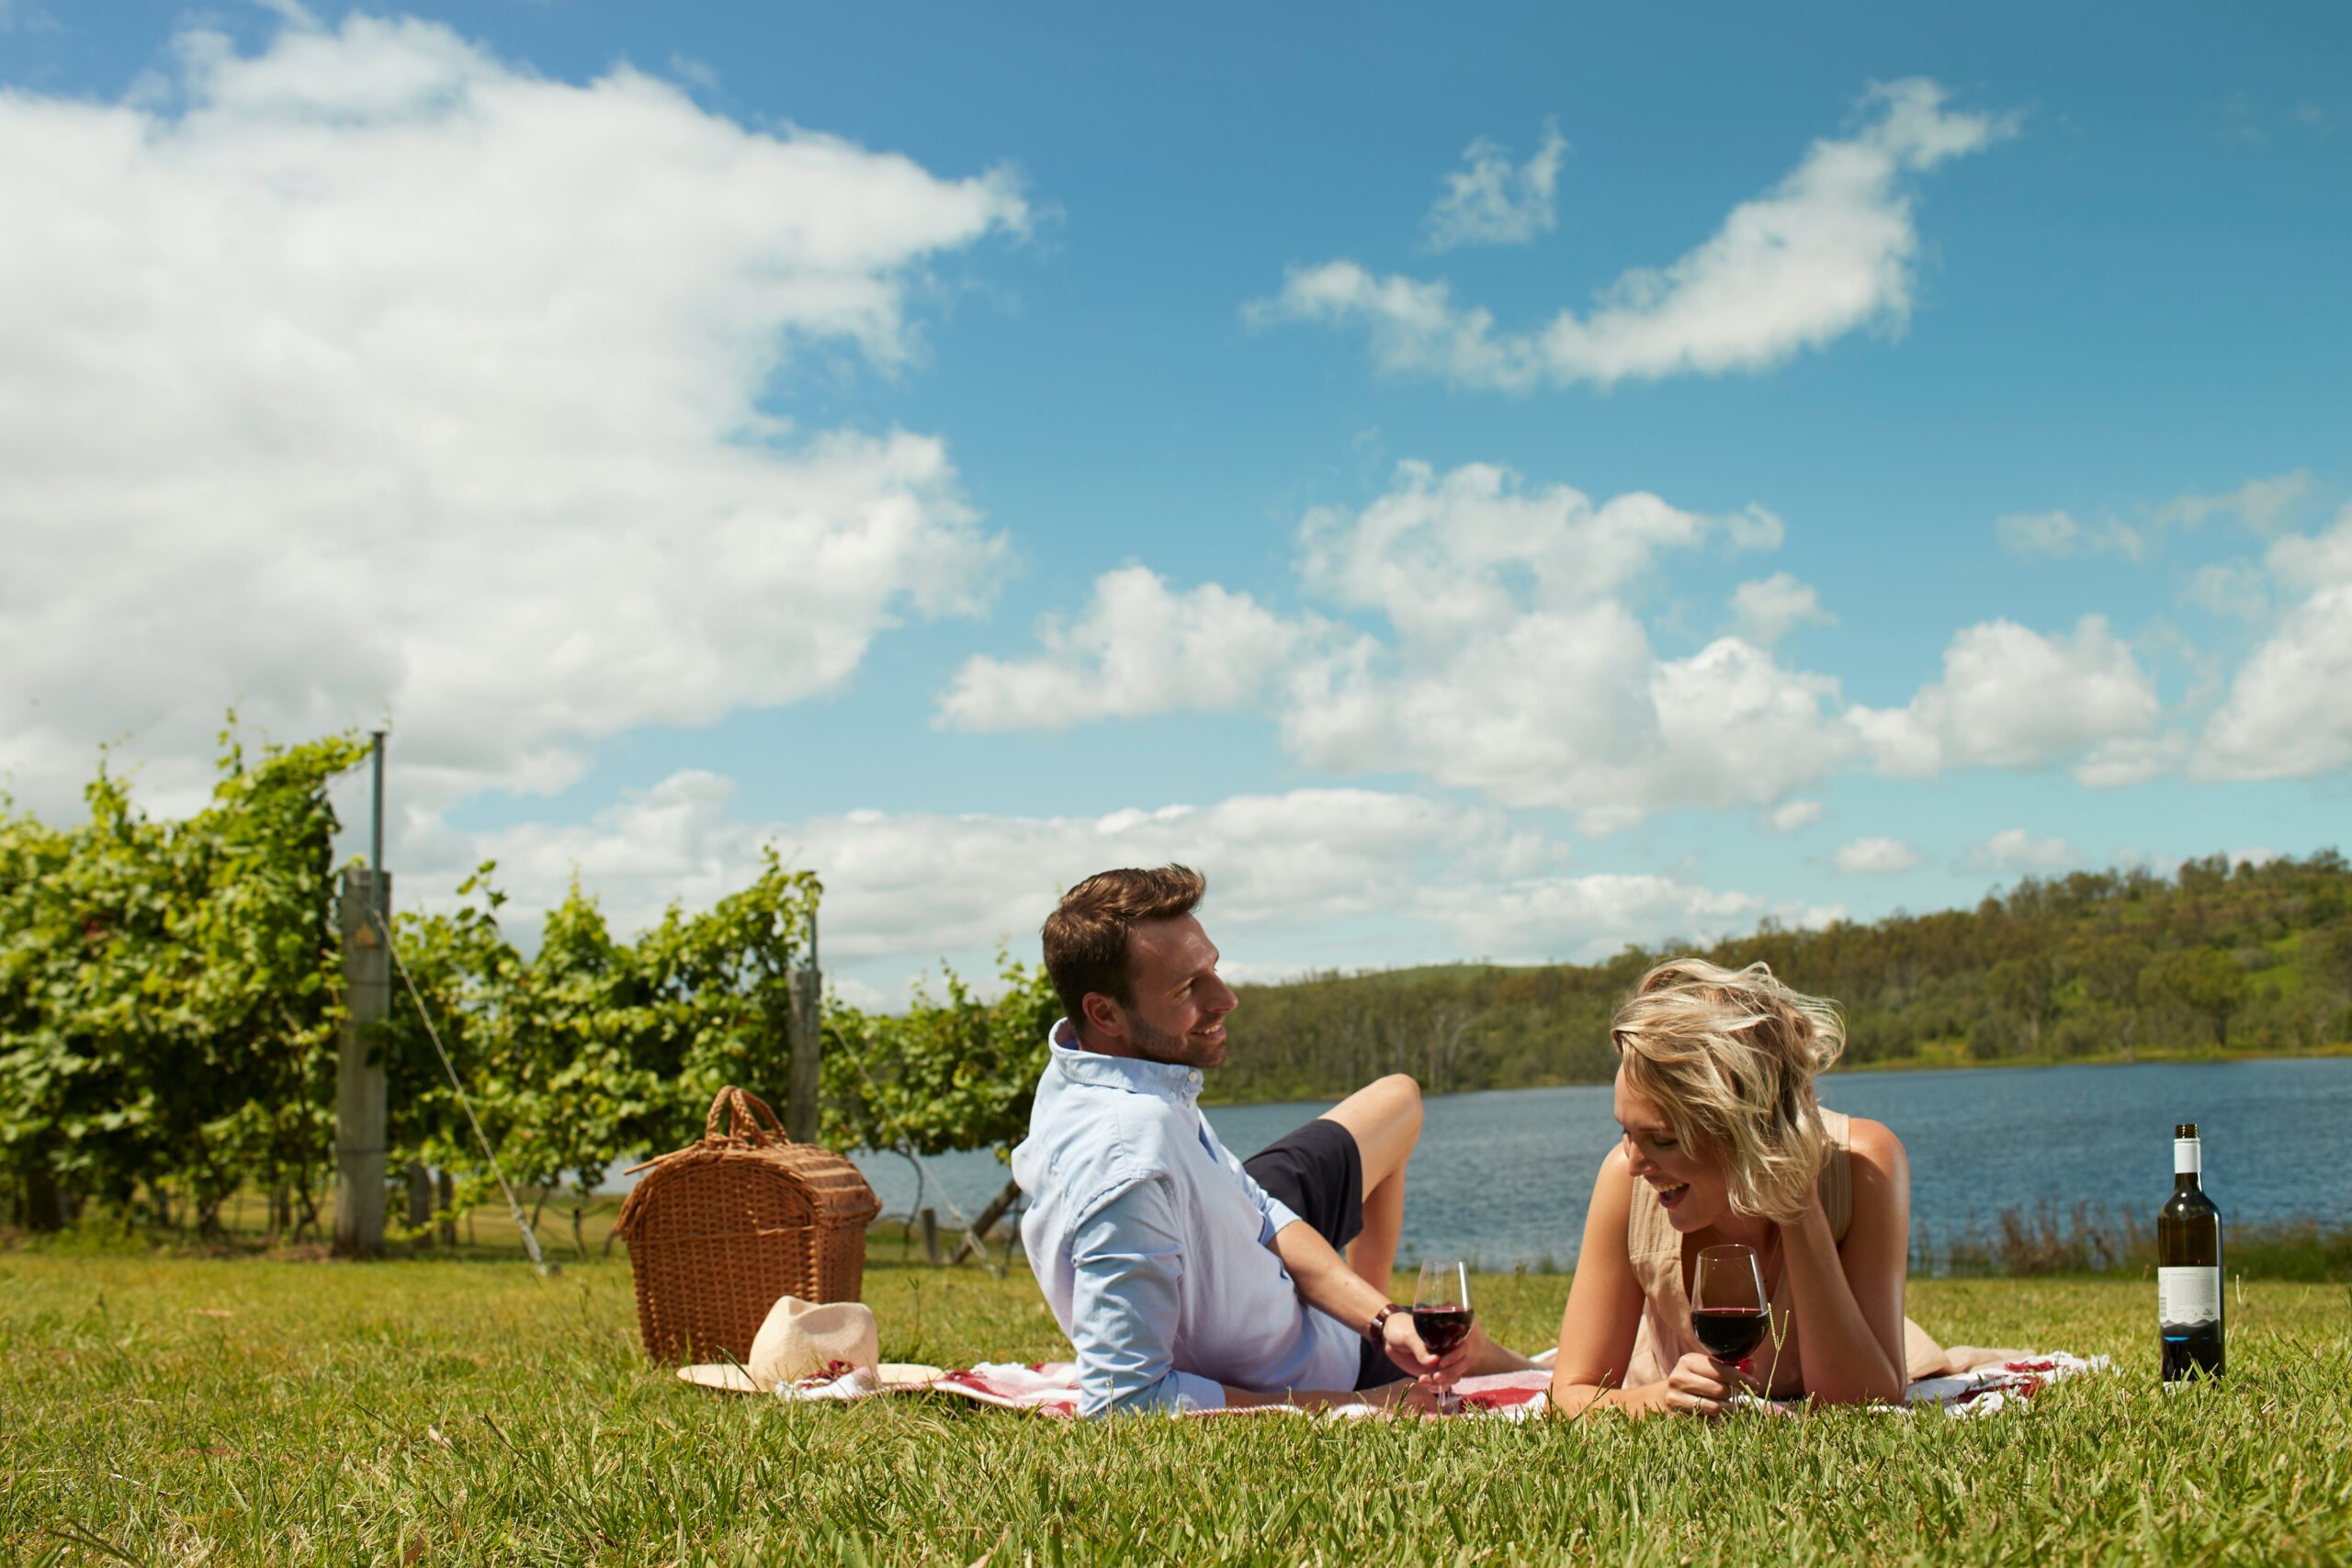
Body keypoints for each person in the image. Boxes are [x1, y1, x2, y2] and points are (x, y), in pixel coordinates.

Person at [1012, 863, 1530, 1416]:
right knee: (1465, 1351)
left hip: (1239, 1249)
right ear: (1104, 1012)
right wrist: (1359, 1402)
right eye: (1189, 987)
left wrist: (1382, 1321)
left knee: (1397, 1101)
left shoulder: (1113, 1072)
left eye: (1212, 969)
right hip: (1309, 1365)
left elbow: (1261, 1211)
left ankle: (1377, 1314)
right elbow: (1124, 1403)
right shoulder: (1129, 1159)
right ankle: (1554, 1374)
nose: (1227, 998)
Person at [1548, 958, 2012, 1416]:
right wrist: (1658, 1398)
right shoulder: (1623, 1183)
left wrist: (1796, 1199)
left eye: (1664, 1139)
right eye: (1626, 1132)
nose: (1634, 1163)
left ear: (1746, 1126)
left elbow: (1860, 1400)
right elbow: (1570, 1394)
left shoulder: (1867, 1164)